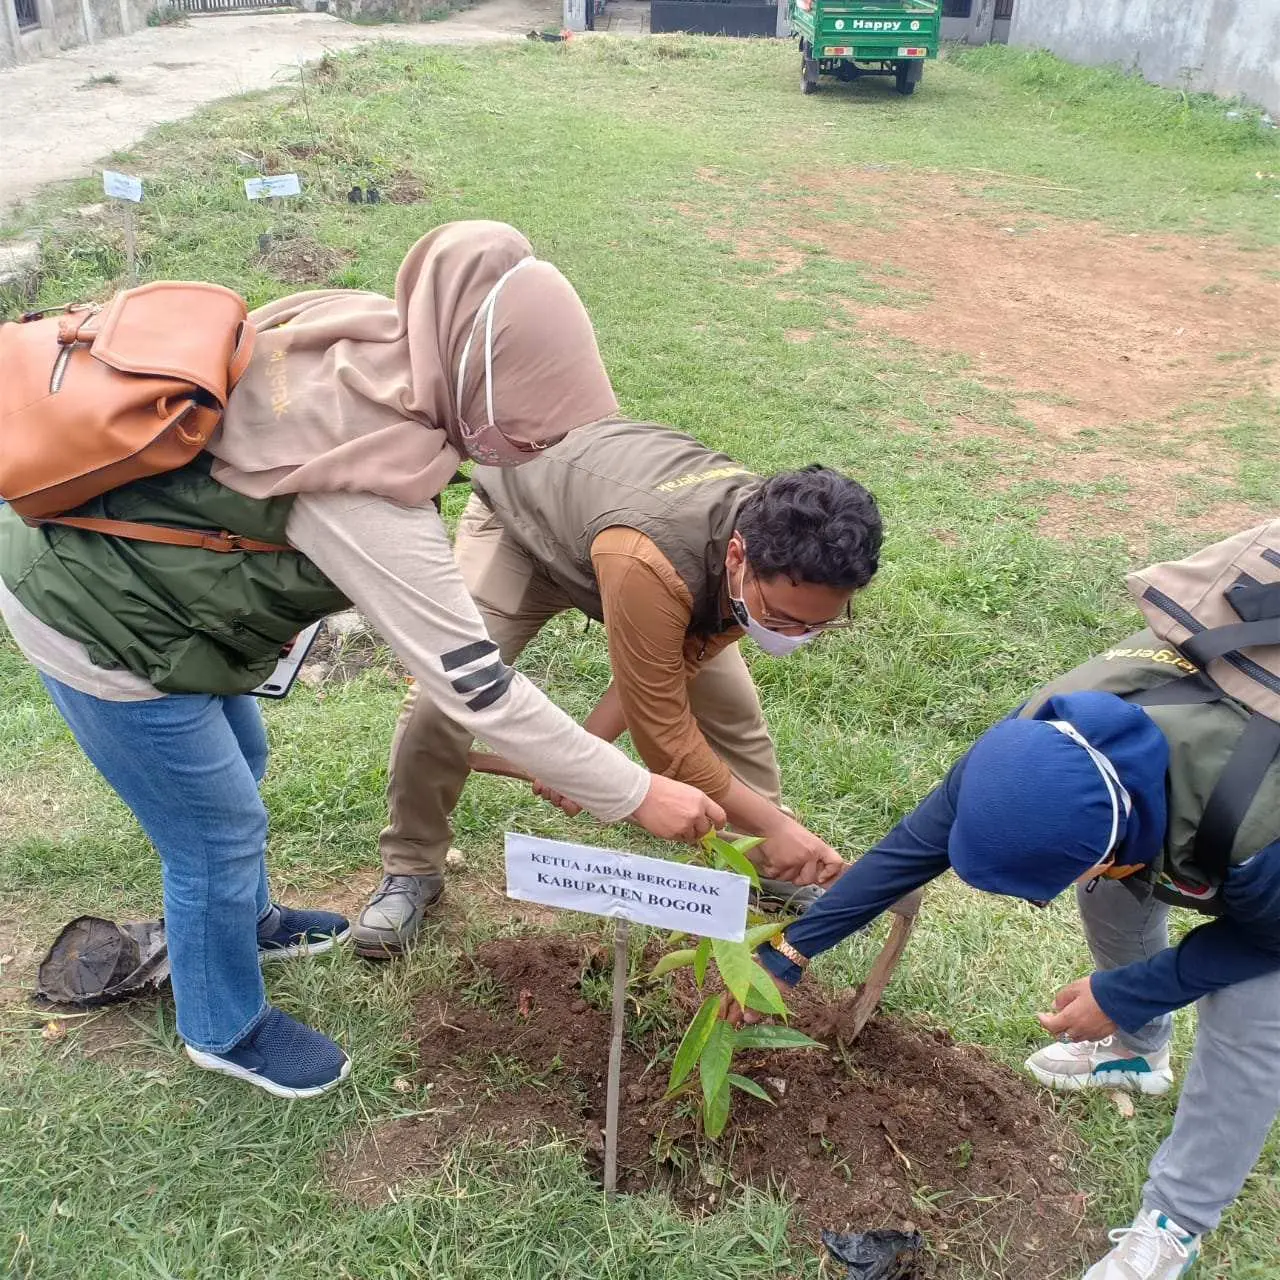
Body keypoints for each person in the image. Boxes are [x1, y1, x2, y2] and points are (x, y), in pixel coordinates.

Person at [0, 222, 724, 1101]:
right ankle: (222, 1026)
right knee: (214, 834)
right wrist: (636, 792)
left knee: (242, 757)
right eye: (530, 421)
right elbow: (476, 686)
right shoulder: (362, 483)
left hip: (150, 584)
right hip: (93, 616)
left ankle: (251, 921)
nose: (536, 447)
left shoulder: (368, 334)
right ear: (480, 381)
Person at [738, 633, 1280, 1280]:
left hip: (1261, 838)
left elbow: (1268, 938)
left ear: (1112, 847)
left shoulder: (1254, 831)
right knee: (1111, 898)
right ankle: (1140, 1053)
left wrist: (1124, 993)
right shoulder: (1027, 746)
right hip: (1188, 776)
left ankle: (1176, 1221)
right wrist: (790, 951)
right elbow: (915, 846)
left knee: (1253, 1012)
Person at [353, 419, 883, 957]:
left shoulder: (773, 542)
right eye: (783, 619)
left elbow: (679, 663)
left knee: (734, 715)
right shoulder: (655, 557)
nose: (793, 636)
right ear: (737, 557)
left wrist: (576, 761)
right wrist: (775, 823)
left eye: (816, 625)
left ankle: (763, 860)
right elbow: (666, 741)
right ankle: (411, 867)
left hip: (621, 538)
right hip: (523, 530)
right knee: (446, 698)